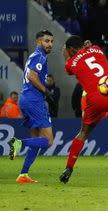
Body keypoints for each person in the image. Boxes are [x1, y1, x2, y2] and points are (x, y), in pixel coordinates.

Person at [59, 37, 108, 184]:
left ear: (71, 49)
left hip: (96, 96)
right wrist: (88, 47)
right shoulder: (97, 49)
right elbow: (91, 52)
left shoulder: (71, 62)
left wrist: (67, 56)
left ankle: (68, 168)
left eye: (66, 50)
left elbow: (68, 70)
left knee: (84, 132)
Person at [8, 30, 55, 183]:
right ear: (38, 42)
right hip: (34, 101)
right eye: (46, 41)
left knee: (36, 139)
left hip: (26, 99)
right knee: (48, 140)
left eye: (51, 41)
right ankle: (18, 142)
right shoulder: (40, 56)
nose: (50, 44)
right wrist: (46, 91)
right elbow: (31, 76)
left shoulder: (33, 56)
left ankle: (23, 174)